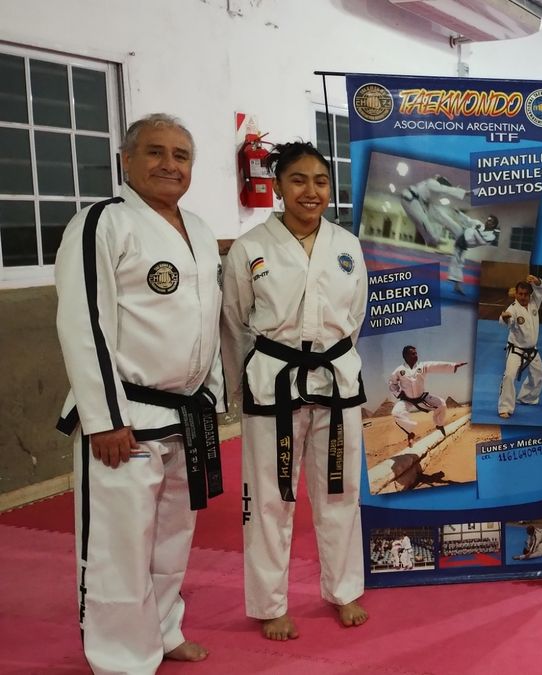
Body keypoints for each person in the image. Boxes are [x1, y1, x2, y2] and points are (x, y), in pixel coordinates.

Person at [54, 113, 223, 673]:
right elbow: (84, 323)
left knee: (172, 538)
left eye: (181, 155)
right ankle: (121, 660)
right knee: (118, 547)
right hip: (125, 415)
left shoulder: (199, 229)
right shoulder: (101, 222)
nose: (169, 165)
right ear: (126, 160)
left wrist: (211, 399)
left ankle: (164, 630)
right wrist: (103, 418)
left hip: (185, 413)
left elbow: (208, 321)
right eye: (154, 152)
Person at [221, 141, 370, 641]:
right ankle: (269, 604)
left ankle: (344, 590)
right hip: (273, 381)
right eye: (299, 180)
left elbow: (355, 318)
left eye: (321, 181)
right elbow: (234, 321)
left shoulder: (347, 245)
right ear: (278, 186)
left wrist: (334, 356)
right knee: (269, 498)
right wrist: (238, 386)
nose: (311, 191)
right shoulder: (250, 247)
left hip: (335, 379)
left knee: (340, 491)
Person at [388, 345, 467, 445]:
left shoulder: (422, 366)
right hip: (407, 399)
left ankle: (439, 424)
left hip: (421, 398)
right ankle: (410, 432)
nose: (416, 355)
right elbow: (392, 383)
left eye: (416, 353)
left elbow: (435, 365)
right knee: (396, 412)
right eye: (413, 354)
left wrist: (453, 365)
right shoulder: (399, 370)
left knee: (442, 404)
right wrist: (399, 394)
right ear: (406, 356)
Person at [498, 274, 542, 419]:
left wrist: (537, 281)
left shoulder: (534, 302)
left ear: (530, 294)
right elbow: (507, 320)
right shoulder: (513, 308)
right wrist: (505, 318)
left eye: (526, 294)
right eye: (520, 294)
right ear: (516, 294)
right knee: (509, 376)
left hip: (532, 350)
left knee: (538, 376)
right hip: (516, 349)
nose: (523, 297)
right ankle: (505, 407)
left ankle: (526, 397)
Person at [399, 175, 471, 247]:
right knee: (423, 220)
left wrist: (454, 189)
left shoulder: (432, 190)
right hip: (410, 199)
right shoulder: (432, 183)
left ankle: (459, 233)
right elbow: (444, 189)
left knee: (439, 215)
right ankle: (433, 240)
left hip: (420, 202)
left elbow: (444, 190)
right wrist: (463, 192)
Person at [449, 213, 499, 295]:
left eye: (490, 221)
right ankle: (457, 286)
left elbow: (482, 241)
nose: (487, 221)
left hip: (463, 244)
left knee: (458, 263)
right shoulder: (479, 224)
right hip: (462, 238)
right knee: (457, 263)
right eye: (487, 220)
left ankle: (457, 286)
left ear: (493, 224)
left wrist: (476, 230)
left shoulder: (491, 236)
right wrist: (459, 213)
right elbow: (468, 220)